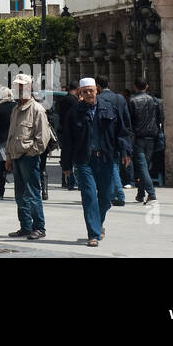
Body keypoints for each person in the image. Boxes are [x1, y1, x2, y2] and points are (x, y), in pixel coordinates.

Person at [60, 77, 131, 247]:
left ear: (96, 90)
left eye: (91, 90)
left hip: (106, 158)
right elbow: (67, 140)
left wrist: (125, 151)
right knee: (89, 197)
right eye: (85, 92)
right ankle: (93, 234)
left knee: (107, 197)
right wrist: (66, 164)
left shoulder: (109, 108)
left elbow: (123, 131)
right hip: (85, 160)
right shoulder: (74, 112)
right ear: (81, 93)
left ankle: (98, 225)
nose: (89, 94)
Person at [5, 73, 51, 240]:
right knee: (19, 194)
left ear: (29, 88)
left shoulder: (37, 110)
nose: (19, 89)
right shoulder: (15, 109)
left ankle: (39, 227)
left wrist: (29, 153)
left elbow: (42, 139)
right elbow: (11, 135)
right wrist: (9, 156)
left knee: (32, 193)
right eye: (17, 86)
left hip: (29, 158)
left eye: (22, 86)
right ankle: (25, 226)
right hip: (16, 157)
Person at [96, 77, 133, 205]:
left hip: (107, 137)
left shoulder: (99, 99)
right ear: (109, 84)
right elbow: (126, 120)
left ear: (97, 87)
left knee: (112, 166)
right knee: (114, 165)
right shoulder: (120, 98)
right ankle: (113, 193)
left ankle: (118, 195)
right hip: (120, 136)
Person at [128, 78, 163, 205]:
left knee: (142, 167)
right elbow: (160, 118)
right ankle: (140, 194)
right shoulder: (155, 101)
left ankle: (151, 194)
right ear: (147, 86)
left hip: (139, 138)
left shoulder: (132, 101)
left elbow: (129, 121)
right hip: (152, 137)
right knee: (145, 167)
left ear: (135, 86)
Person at [57, 83, 80, 189]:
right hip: (73, 132)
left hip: (62, 130)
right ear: (77, 89)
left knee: (66, 156)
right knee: (75, 158)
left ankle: (65, 181)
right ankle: (75, 181)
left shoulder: (62, 100)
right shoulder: (75, 101)